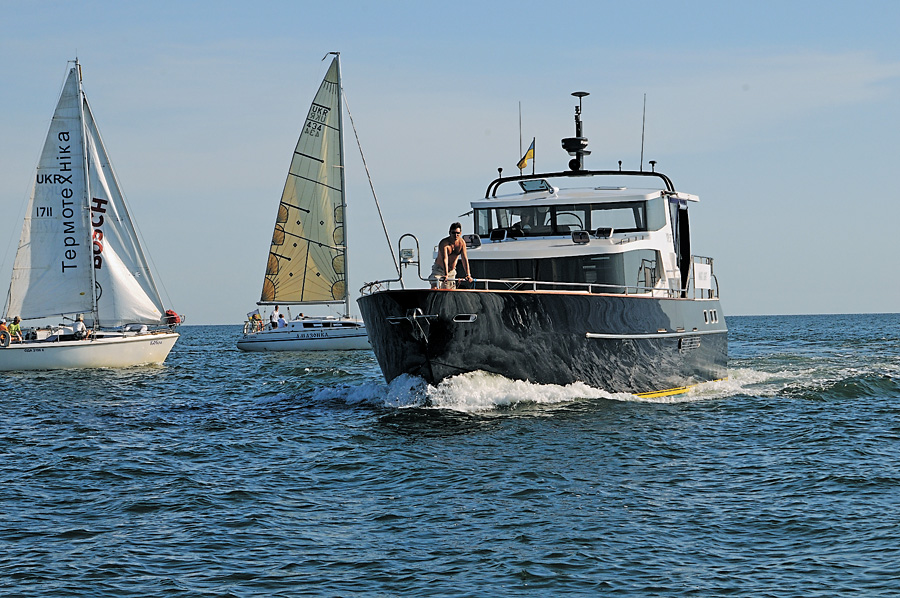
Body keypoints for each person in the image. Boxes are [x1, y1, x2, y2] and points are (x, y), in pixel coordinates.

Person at [430, 222, 472, 289]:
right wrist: (445, 274)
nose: (456, 235)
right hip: (439, 269)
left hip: (451, 271)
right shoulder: (444, 243)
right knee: (435, 286)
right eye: (453, 233)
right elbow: (445, 259)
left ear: (460, 233)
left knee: (449, 291)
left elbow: (464, 259)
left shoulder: (462, 243)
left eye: (458, 233)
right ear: (449, 233)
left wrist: (468, 274)